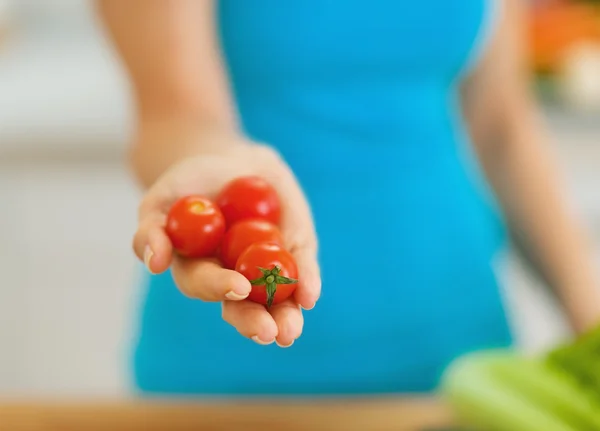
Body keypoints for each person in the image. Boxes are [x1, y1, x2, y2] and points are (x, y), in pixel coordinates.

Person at [97, 0, 600, 395]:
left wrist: (589, 319)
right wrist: (223, 167)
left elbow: (502, 130)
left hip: (463, 365)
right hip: (238, 378)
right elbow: (173, 119)